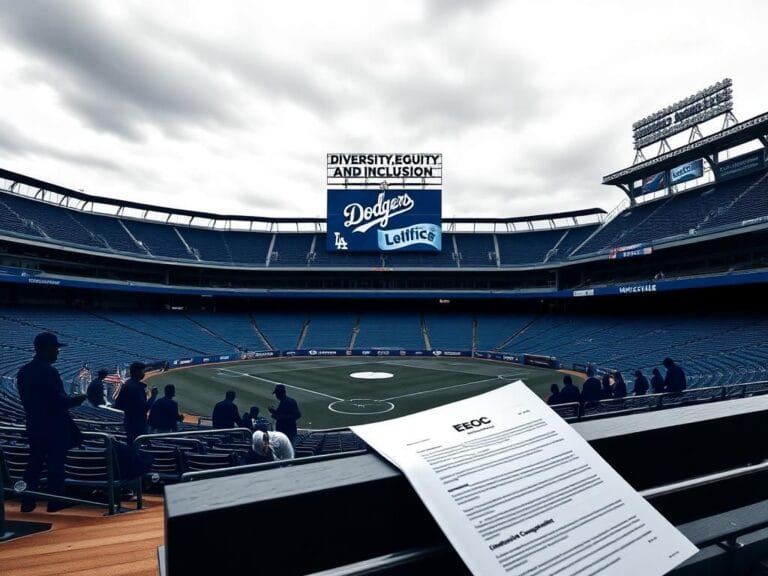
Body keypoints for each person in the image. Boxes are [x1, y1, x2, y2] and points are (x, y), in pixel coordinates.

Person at [17, 332, 87, 513]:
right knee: (56, 465)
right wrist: (76, 400)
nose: (57, 353)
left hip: (34, 425)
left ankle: (27, 502)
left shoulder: (23, 371)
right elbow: (58, 402)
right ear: (46, 349)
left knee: (33, 465)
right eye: (55, 349)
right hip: (54, 428)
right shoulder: (49, 371)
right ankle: (55, 502)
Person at [115, 362, 157, 444]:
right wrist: (153, 396)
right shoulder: (137, 387)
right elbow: (145, 408)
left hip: (128, 422)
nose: (143, 374)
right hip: (139, 425)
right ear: (137, 372)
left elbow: (118, 405)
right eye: (142, 371)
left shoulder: (126, 384)